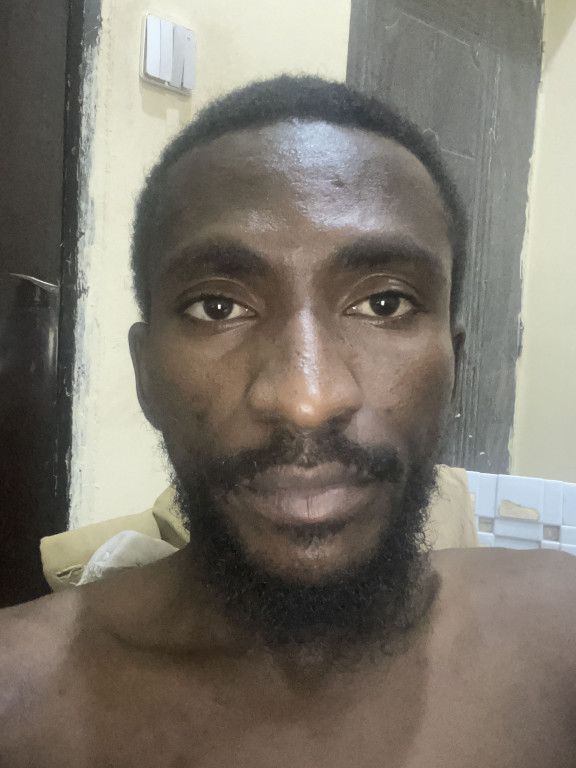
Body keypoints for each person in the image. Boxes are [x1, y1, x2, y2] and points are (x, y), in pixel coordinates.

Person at [0, 76, 574, 767]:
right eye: (218, 308)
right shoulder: (18, 706)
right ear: (146, 374)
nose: (307, 398)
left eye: (384, 304)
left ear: (454, 366)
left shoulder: (559, 641)